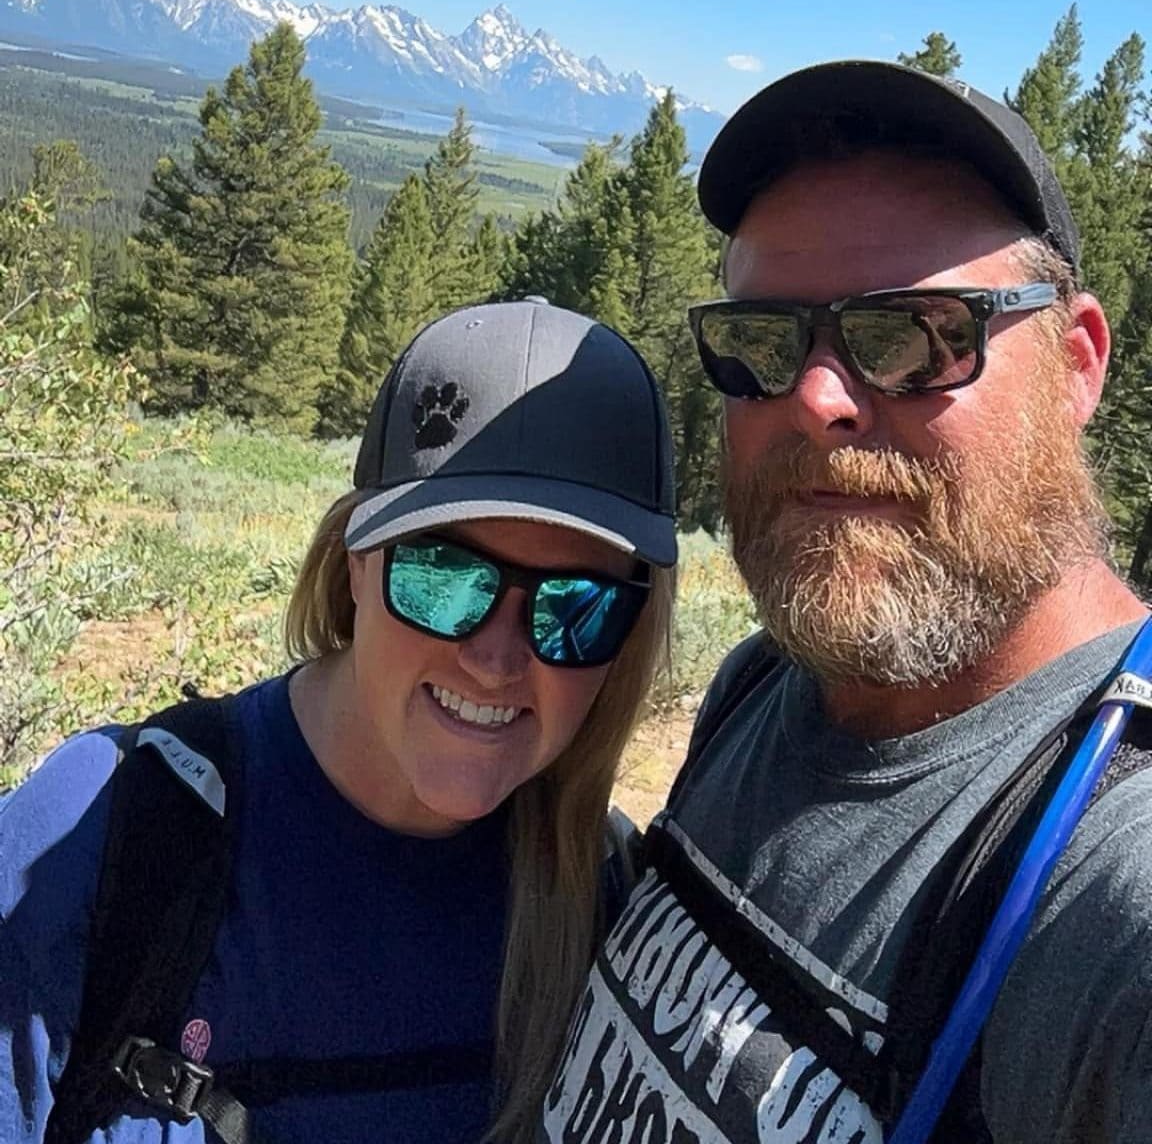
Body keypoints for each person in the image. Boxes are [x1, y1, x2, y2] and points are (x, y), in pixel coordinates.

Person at [541, 62, 1152, 1144]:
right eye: (765, 342)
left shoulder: (1111, 886)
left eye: (915, 334)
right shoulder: (767, 686)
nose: (817, 397)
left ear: (1077, 364)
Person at [1, 298, 678, 1144]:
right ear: (355, 560)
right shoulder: (99, 841)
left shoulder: (609, 914)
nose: (499, 660)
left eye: (576, 608)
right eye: (443, 576)